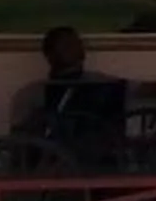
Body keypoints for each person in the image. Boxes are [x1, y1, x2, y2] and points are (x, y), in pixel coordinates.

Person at [13, 24, 125, 152]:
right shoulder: (31, 93)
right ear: (49, 54)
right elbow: (17, 140)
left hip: (100, 160)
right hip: (51, 164)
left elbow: (141, 89)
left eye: (76, 43)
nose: (73, 48)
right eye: (65, 45)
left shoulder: (107, 83)